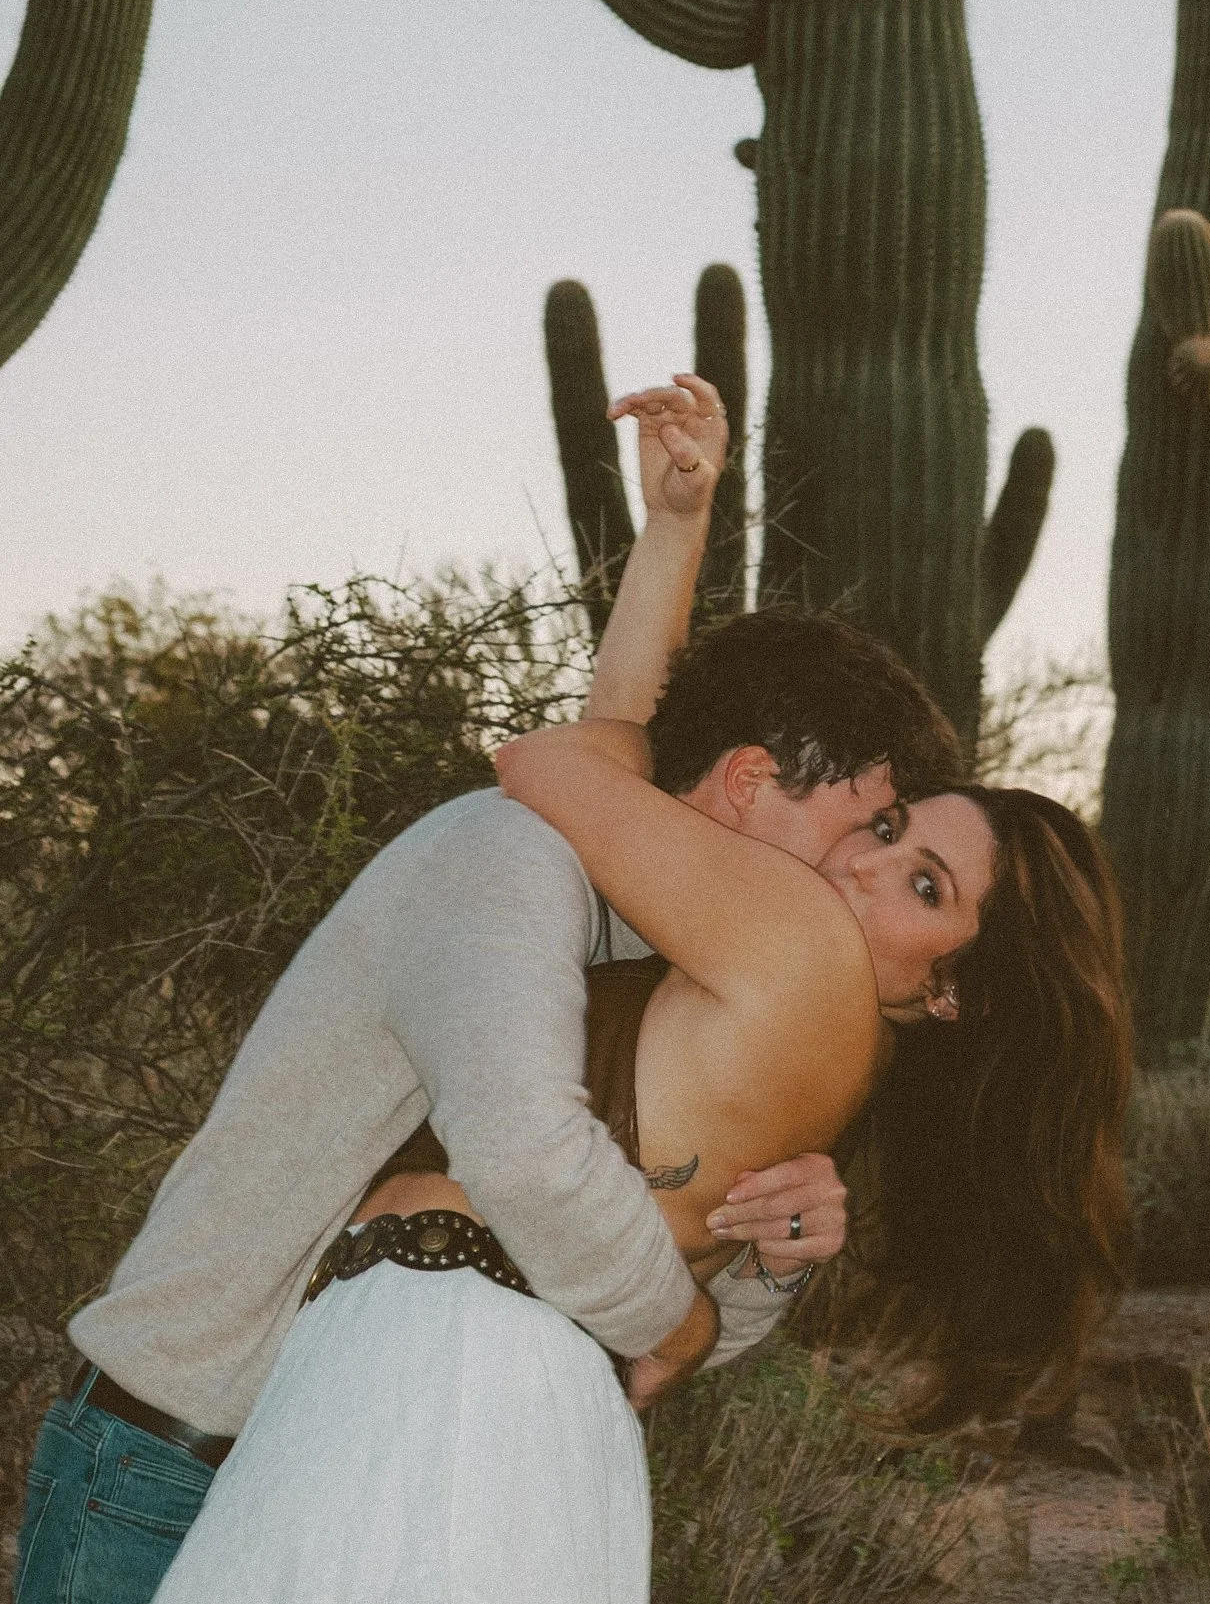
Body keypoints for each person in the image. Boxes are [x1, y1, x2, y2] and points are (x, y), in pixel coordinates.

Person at [137, 378, 1131, 1604]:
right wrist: (675, 535)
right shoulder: (753, 1005)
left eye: (918, 879)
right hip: (427, 1412)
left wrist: (677, 1328)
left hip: (422, 1389)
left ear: (953, 992)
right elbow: (619, 775)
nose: (859, 861)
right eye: (880, 823)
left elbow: (565, 760)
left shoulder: (783, 942)